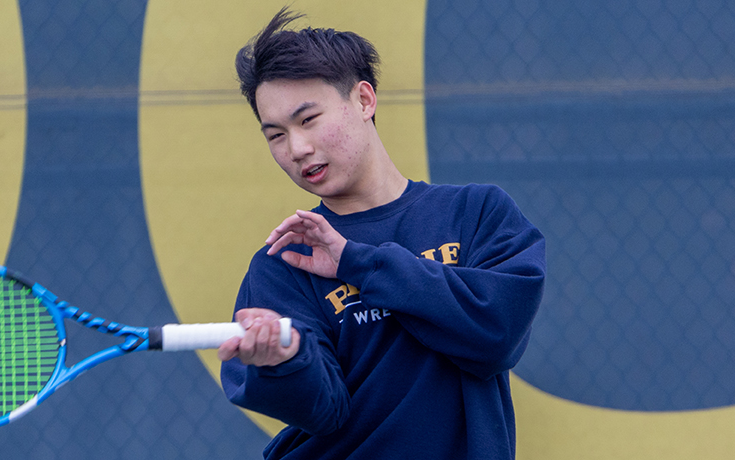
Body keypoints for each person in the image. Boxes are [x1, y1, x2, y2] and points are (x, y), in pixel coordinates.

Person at [217, 8, 546, 459]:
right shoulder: (285, 260)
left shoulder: (476, 213)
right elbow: (323, 411)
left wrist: (357, 262)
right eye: (275, 135)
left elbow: (495, 337)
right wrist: (281, 359)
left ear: (364, 100)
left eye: (308, 119)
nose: (296, 148)